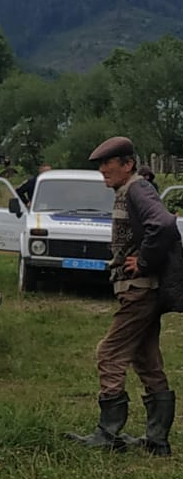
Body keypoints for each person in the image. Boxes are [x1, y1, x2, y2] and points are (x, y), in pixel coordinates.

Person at [68, 137, 182, 457]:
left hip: (140, 289)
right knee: (147, 360)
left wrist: (143, 260)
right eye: (100, 164)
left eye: (109, 163)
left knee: (109, 353)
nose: (103, 169)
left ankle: (108, 433)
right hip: (143, 289)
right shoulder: (131, 188)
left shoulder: (136, 188)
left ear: (128, 164)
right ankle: (156, 441)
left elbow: (163, 224)